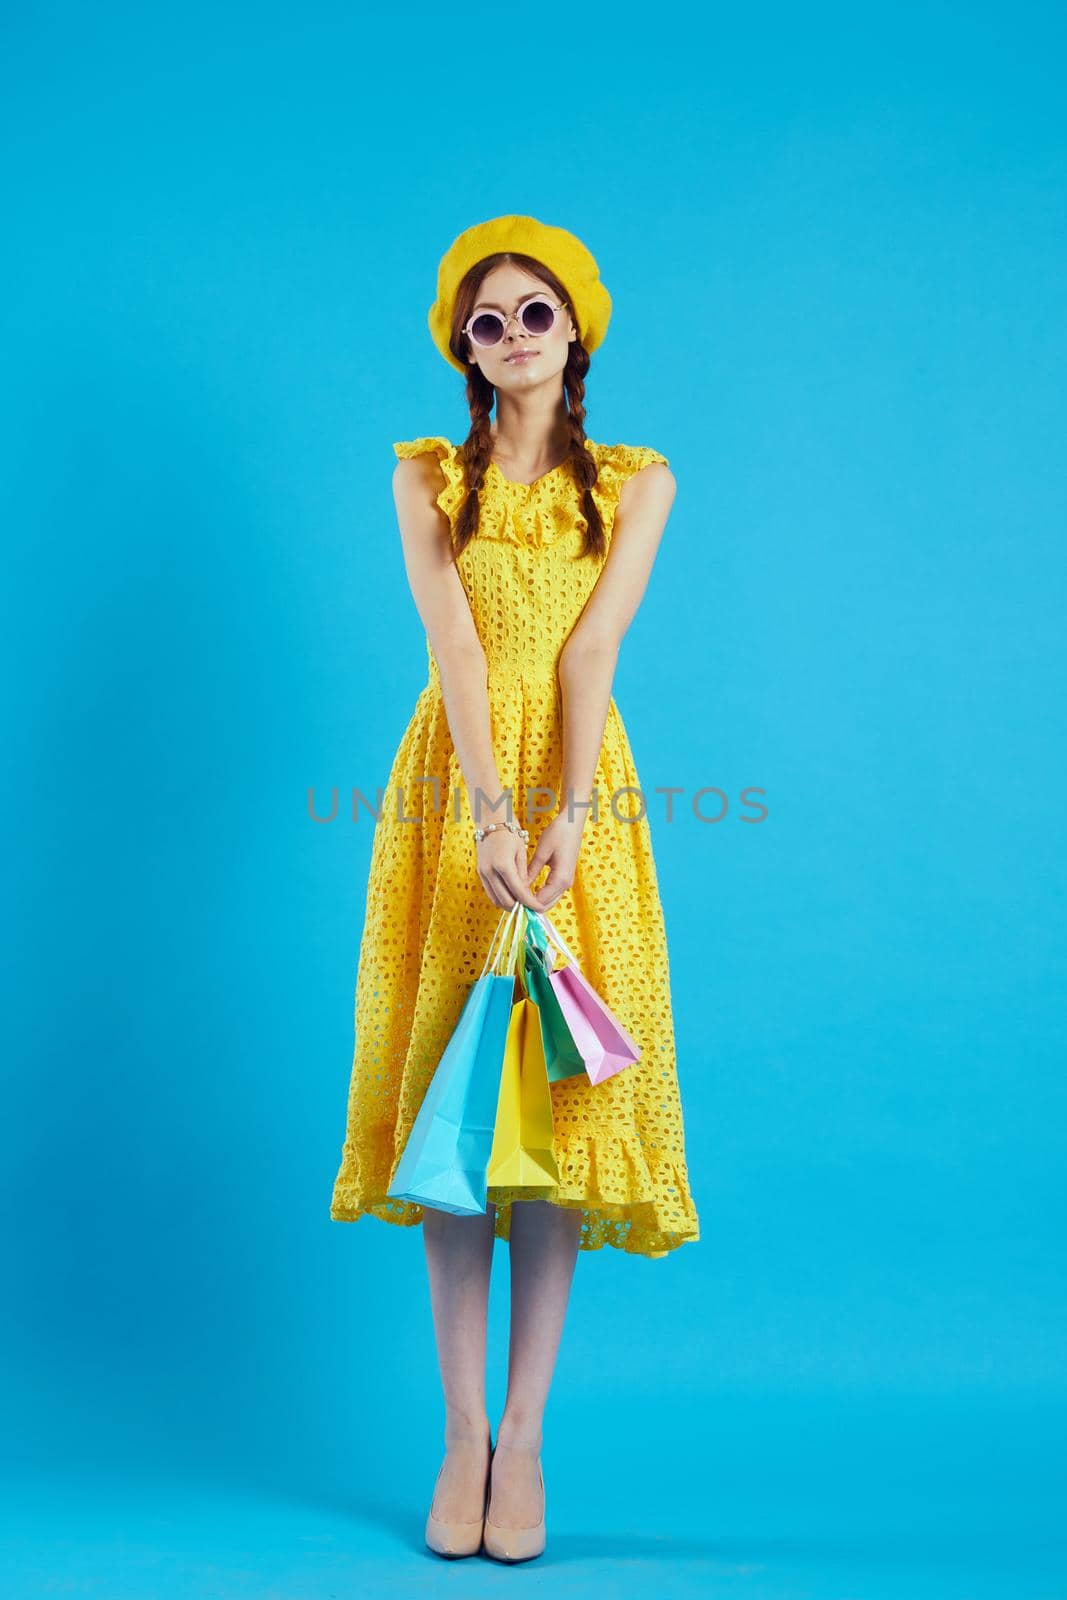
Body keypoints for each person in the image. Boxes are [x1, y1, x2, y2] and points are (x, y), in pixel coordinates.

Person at [329, 213, 700, 1562]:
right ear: (464, 351)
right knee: (459, 1118)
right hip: (455, 794)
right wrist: (489, 814)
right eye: (487, 322)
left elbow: (593, 652)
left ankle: (527, 1439)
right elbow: (457, 648)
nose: (514, 339)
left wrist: (564, 817)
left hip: (581, 790)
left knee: (548, 1118)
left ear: (575, 331)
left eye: (536, 314)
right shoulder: (428, 479)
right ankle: (459, 1436)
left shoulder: (639, 481)